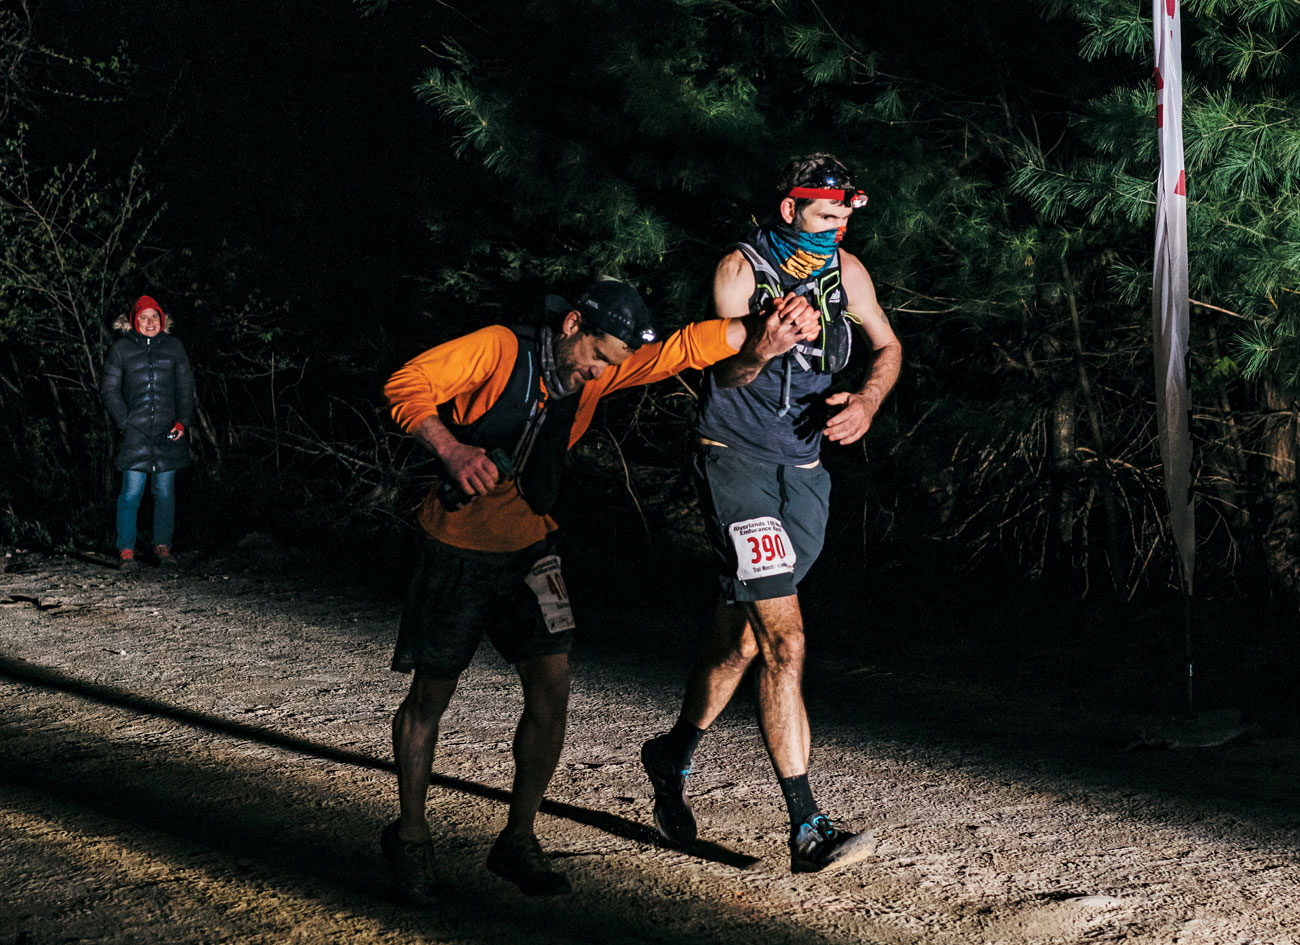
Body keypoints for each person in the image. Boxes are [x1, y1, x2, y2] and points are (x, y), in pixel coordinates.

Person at [380, 277, 817, 905]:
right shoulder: (498, 349)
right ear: (571, 326)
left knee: (552, 688)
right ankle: (411, 837)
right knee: (431, 696)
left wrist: (766, 332)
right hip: (457, 547)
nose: (600, 372)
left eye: (611, 364)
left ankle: (518, 838)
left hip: (533, 547)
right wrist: (450, 450)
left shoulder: (598, 369)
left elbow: (681, 349)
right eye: (598, 355)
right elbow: (406, 384)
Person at [640, 153, 903, 873]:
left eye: (845, 215)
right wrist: (763, 345)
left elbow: (888, 344)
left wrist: (870, 400)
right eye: (825, 215)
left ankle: (672, 753)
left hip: (806, 472)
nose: (838, 227)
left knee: (745, 640)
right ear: (788, 209)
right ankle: (807, 825)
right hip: (736, 463)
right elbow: (721, 371)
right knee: (785, 637)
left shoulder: (847, 274)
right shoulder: (741, 271)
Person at [100, 295, 196, 572]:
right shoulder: (121, 349)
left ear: (162, 320)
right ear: (134, 321)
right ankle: (126, 551)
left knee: (164, 492)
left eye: (154, 316)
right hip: (135, 432)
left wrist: (182, 422)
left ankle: (162, 548)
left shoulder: (175, 347)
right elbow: (109, 389)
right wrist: (125, 420)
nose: (150, 322)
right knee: (131, 493)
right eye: (143, 317)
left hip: (169, 432)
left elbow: (185, 388)